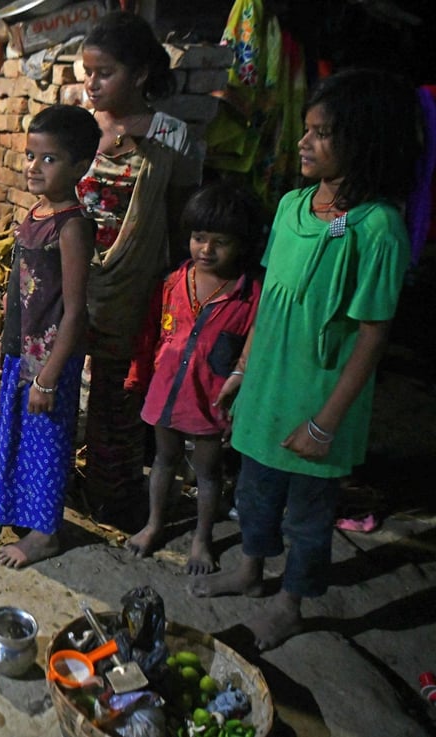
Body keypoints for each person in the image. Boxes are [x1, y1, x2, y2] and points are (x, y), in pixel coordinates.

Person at [190, 68, 421, 651]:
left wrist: (326, 422)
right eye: (307, 130)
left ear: (362, 144)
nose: (304, 142)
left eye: (321, 134)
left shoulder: (379, 229)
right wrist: (243, 369)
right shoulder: (293, 206)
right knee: (255, 496)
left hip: (319, 401)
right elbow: (271, 298)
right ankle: (249, 570)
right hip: (268, 385)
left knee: (308, 518)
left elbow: (372, 333)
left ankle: (292, 604)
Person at [74, 11, 203, 529]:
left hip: (132, 288)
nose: (91, 83)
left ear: (141, 74)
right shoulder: (81, 129)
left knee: (117, 394)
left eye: (104, 72)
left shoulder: (173, 138)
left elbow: (178, 219)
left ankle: (114, 494)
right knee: (61, 384)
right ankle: (55, 480)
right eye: (87, 71)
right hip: (74, 279)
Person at [125, 182, 265, 574]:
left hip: (211, 399)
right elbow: (151, 332)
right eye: (199, 238)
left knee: (207, 472)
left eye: (220, 242)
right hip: (167, 391)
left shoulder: (250, 295)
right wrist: (139, 375)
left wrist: (240, 404)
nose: (206, 249)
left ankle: (202, 539)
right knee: (164, 461)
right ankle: (154, 524)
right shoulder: (173, 282)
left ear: (243, 244)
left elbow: (252, 355)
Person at [0, 104, 100, 569]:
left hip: (50, 356)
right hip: (22, 347)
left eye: (49, 159)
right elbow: (19, 283)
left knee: (47, 443)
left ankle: (45, 534)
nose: (34, 167)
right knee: (18, 433)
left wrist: (50, 377)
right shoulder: (35, 212)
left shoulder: (72, 225)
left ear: (80, 166)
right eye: (31, 156)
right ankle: (18, 510)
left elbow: (74, 310)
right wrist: (2, 337)